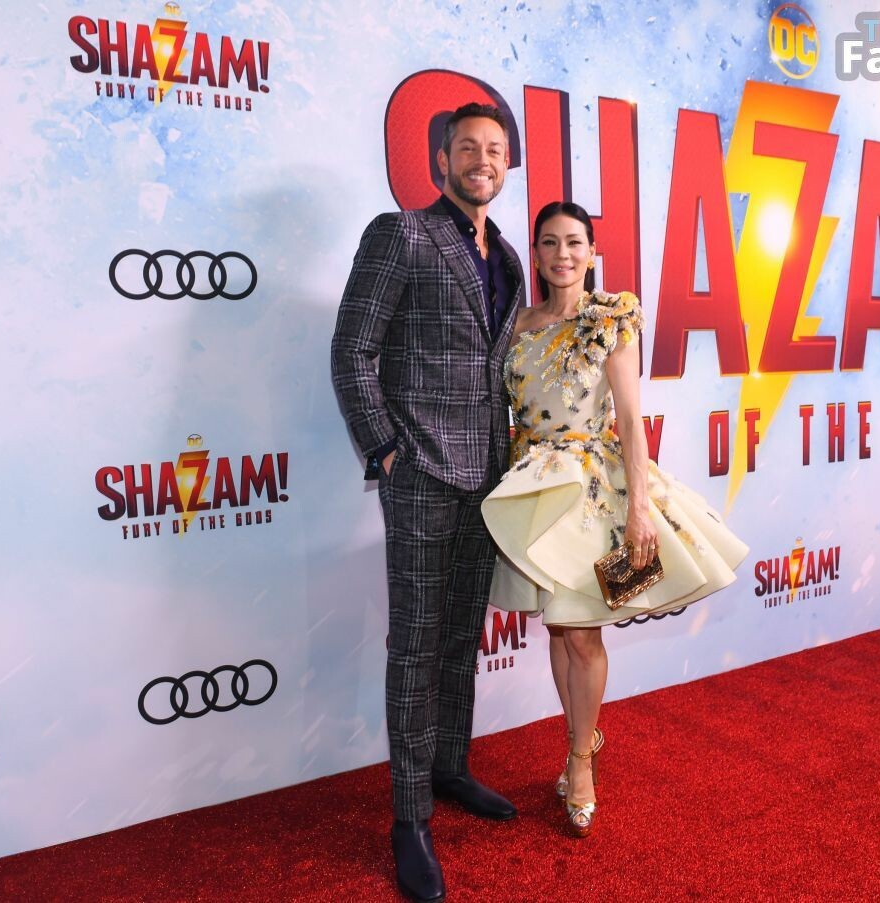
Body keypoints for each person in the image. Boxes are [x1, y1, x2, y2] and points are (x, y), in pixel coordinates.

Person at [481, 201, 748, 838]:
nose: (563, 254)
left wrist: (640, 511)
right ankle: (579, 741)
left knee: (582, 634)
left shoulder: (612, 317)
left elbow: (629, 418)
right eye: (550, 242)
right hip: (535, 490)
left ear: (593, 252)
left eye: (575, 242)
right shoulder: (517, 325)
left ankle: (581, 761)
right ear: (535, 255)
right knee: (559, 627)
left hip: (593, 492)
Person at [331, 102, 525, 903]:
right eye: (468, 147)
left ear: (507, 164)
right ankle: (409, 818)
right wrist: (386, 451)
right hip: (420, 474)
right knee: (414, 646)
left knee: (458, 637)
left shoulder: (507, 256)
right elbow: (353, 350)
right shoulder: (402, 234)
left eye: (496, 149)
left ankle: (450, 767)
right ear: (441, 159)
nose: (483, 159)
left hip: (489, 479)